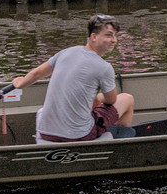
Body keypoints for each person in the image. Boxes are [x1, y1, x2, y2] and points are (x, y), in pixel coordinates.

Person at [14, 14, 136, 143]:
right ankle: (121, 145)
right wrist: (99, 98)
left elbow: (36, 74)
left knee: (92, 99)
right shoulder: (104, 68)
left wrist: (20, 84)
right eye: (108, 35)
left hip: (46, 133)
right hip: (78, 135)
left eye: (115, 35)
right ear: (93, 37)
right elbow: (111, 101)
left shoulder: (66, 52)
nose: (114, 40)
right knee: (127, 99)